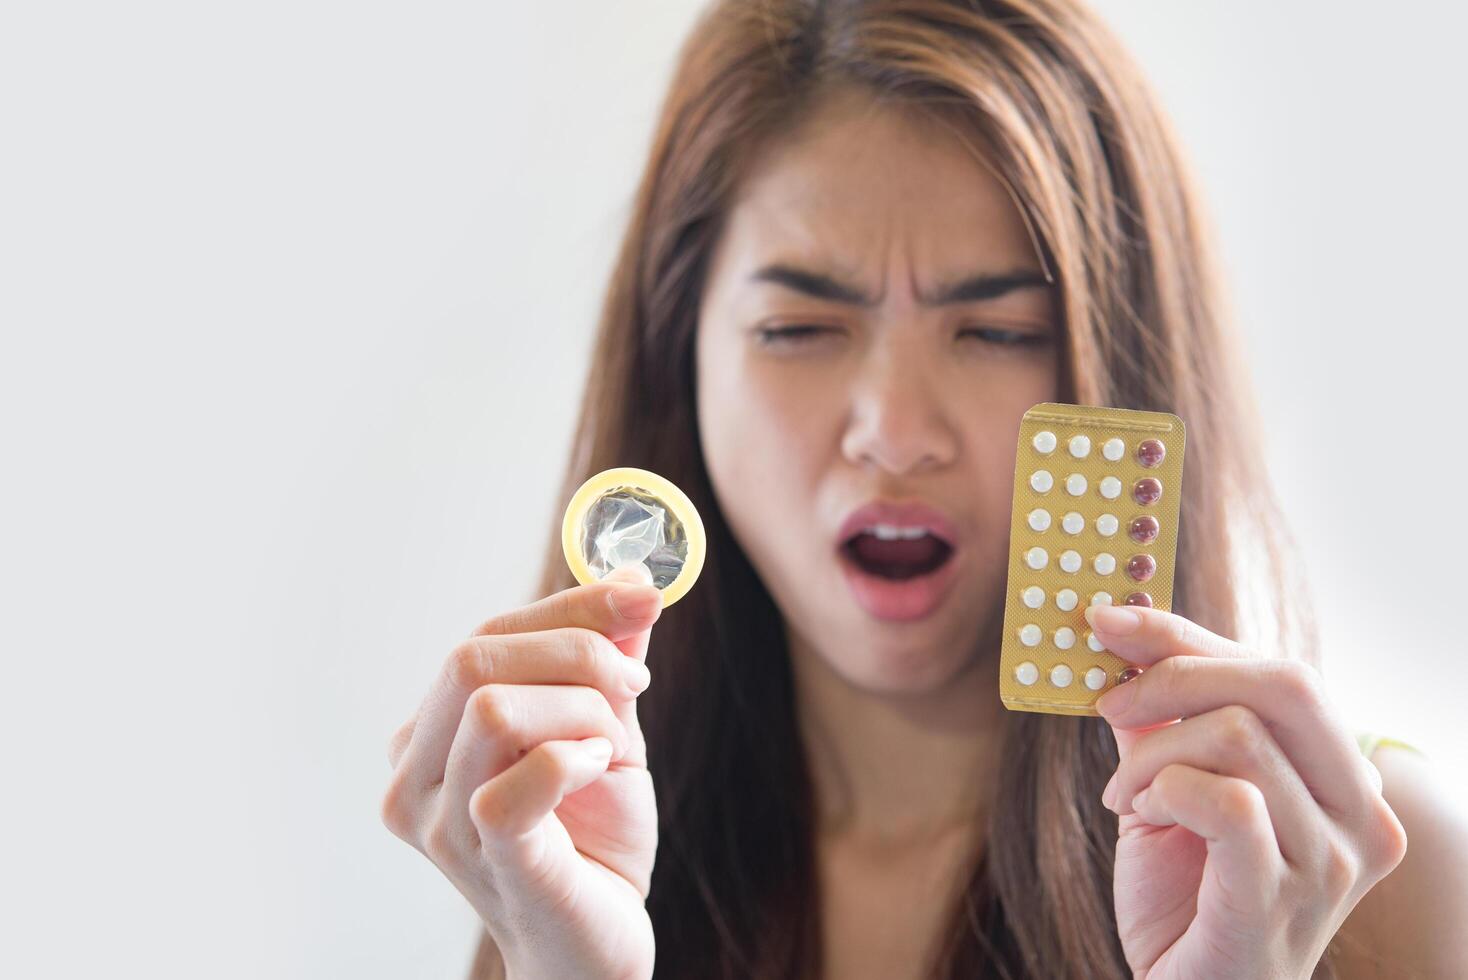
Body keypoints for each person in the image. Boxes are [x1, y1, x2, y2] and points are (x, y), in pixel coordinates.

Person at [380, 1, 1468, 977]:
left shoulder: (1374, 876)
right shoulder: (561, 847)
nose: (895, 434)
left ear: (1115, 385)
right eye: (798, 329)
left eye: (999, 332)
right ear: (680, 365)